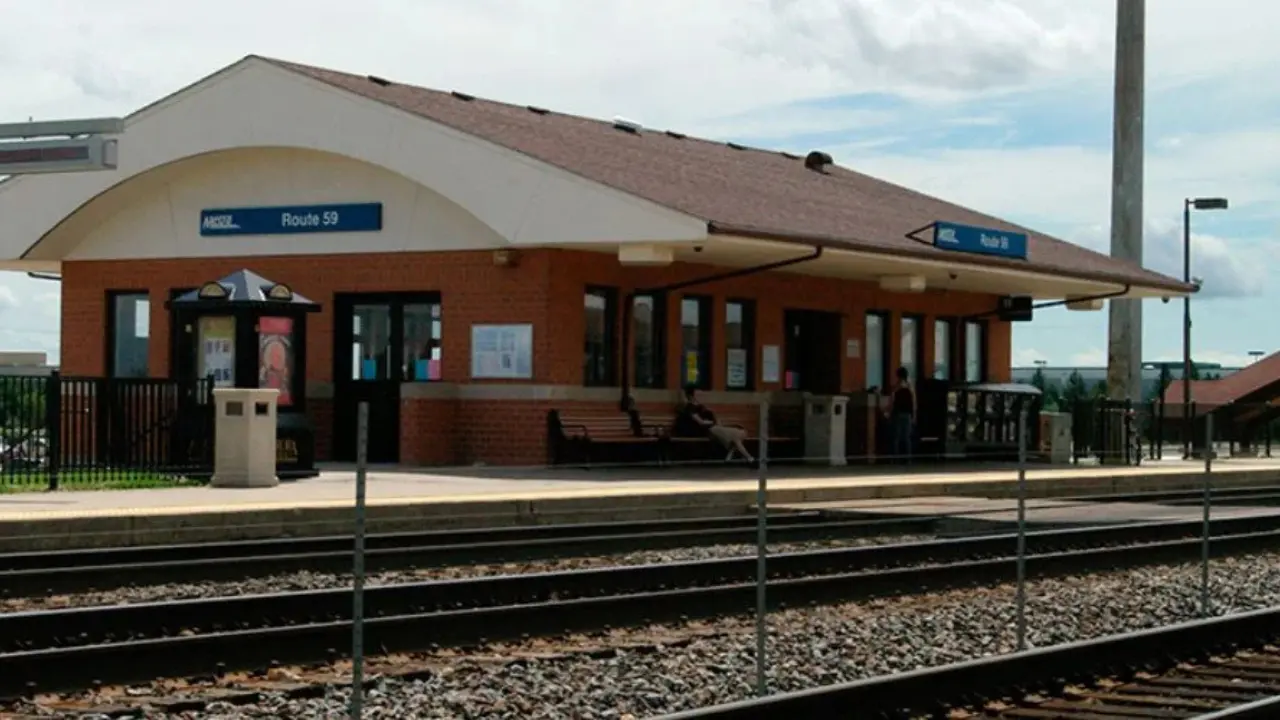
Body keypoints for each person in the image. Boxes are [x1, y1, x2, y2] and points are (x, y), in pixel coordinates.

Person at [676, 385, 755, 463]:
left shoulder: (699, 406)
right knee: (737, 435)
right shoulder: (690, 408)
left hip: (712, 428)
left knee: (740, 434)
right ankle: (747, 457)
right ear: (691, 396)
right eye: (698, 394)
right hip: (705, 430)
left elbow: (711, 414)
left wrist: (715, 420)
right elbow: (701, 422)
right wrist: (712, 422)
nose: (700, 396)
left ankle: (743, 456)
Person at [887, 366, 915, 462]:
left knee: (896, 437)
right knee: (907, 438)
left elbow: (892, 400)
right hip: (907, 414)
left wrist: (889, 412)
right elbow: (914, 401)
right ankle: (908, 458)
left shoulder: (896, 387)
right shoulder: (910, 386)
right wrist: (914, 415)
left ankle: (894, 459)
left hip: (898, 413)